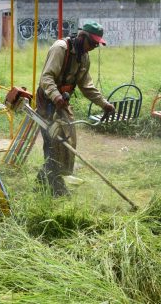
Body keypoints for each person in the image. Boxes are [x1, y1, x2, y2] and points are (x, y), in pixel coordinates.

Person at [36, 21, 115, 196]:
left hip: (62, 102)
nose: (94, 46)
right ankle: (55, 187)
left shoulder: (84, 56)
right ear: (82, 37)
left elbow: (86, 86)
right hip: (48, 101)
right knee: (53, 143)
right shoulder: (60, 49)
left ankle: (43, 180)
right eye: (92, 42)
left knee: (68, 141)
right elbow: (46, 78)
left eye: (97, 44)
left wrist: (104, 103)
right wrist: (56, 96)